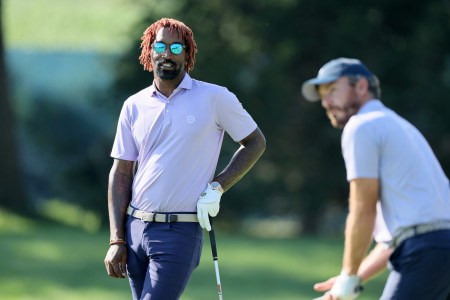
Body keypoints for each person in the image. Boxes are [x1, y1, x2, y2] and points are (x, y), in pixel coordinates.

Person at [104, 18, 266, 300]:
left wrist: (217, 187)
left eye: (176, 46)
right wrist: (116, 238)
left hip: (179, 230)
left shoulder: (215, 98)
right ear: (149, 52)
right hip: (135, 229)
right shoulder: (134, 105)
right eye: (161, 46)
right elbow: (121, 172)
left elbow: (255, 143)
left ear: (188, 54)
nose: (167, 53)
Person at [301, 57, 450, 300]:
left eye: (332, 90)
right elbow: (396, 237)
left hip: (425, 252)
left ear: (360, 86)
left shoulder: (361, 126)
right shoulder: (399, 125)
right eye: (322, 95)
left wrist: (349, 275)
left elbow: (362, 210)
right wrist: (352, 278)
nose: (326, 102)